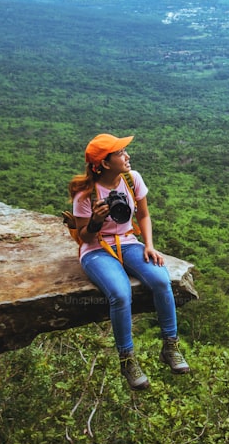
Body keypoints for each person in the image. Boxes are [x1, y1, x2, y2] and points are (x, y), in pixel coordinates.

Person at [69, 133, 190, 390]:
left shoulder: (132, 180)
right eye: (120, 153)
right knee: (121, 293)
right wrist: (95, 222)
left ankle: (170, 346)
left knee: (161, 280)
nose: (127, 156)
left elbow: (144, 215)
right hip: (96, 250)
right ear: (103, 163)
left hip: (129, 242)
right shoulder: (86, 195)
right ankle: (127, 360)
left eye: (124, 151)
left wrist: (149, 246)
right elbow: (83, 237)